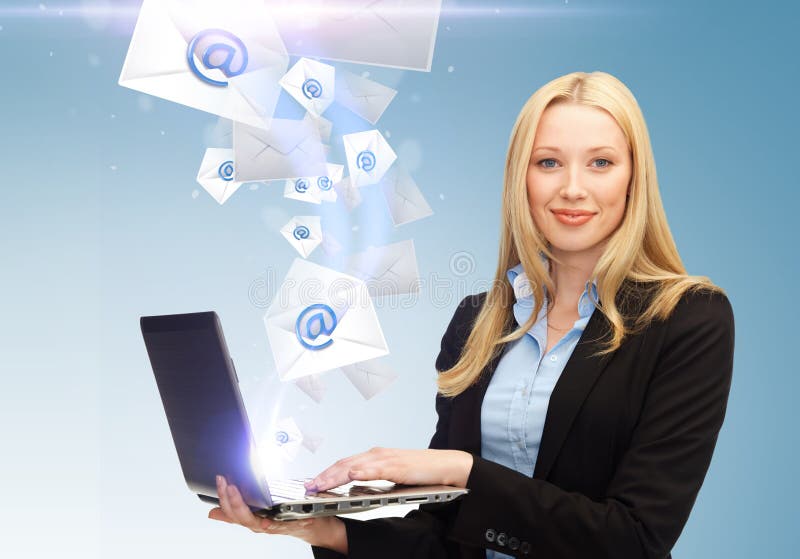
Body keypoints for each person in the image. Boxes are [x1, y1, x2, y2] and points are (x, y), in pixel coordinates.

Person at [207, 70, 736, 559]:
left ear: (632, 179)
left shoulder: (689, 320)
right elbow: (446, 535)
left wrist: (462, 472)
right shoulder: (477, 322)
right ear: (520, 178)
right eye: (548, 161)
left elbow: (634, 540)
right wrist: (317, 528)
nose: (573, 187)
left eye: (601, 162)